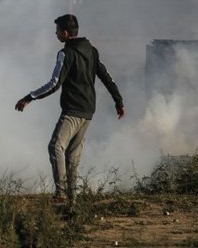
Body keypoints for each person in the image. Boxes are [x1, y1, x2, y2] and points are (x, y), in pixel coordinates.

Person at [15, 14, 125, 208]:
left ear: (65, 33)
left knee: (55, 146)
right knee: (73, 155)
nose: (56, 34)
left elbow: (54, 83)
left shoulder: (65, 53)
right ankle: (72, 203)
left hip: (73, 109)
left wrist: (29, 97)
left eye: (57, 31)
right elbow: (107, 78)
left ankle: (61, 194)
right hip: (89, 110)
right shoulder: (92, 51)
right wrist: (118, 101)